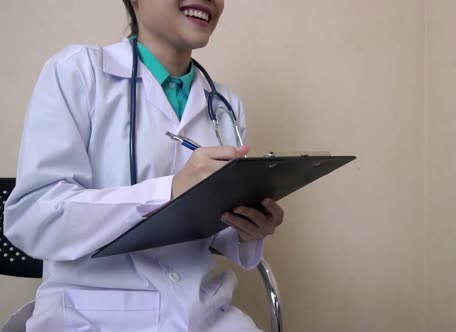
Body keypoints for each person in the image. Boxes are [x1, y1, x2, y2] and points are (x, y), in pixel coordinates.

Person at [3, 0, 284, 331]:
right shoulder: (77, 72)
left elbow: (211, 230)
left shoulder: (224, 104)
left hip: (204, 314)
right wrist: (169, 190)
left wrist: (246, 228)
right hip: (94, 314)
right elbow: (35, 217)